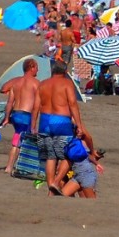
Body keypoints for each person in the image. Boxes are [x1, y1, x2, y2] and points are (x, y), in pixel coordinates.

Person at [35, 60, 84, 195]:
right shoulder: (67, 83)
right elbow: (73, 104)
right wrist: (79, 125)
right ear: (65, 71)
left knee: (50, 156)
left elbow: (36, 106)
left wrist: (33, 125)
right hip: (61, 120)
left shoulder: (42, 84)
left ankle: (50, 189)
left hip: (44, 121)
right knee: (67, 154)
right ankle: (56, 182)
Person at [0, 57, 40, 176]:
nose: (38, 70)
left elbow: (9, 103)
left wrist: (7, 118)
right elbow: (36, 107)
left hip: (15, 114)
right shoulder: (36, 83)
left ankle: (16, 166)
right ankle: (10, 167)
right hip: (25, 116)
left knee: (20, 138)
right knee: (18, 142)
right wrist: (33, 124)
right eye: (37, 67)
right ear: (31, 67)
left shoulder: (15, 83)